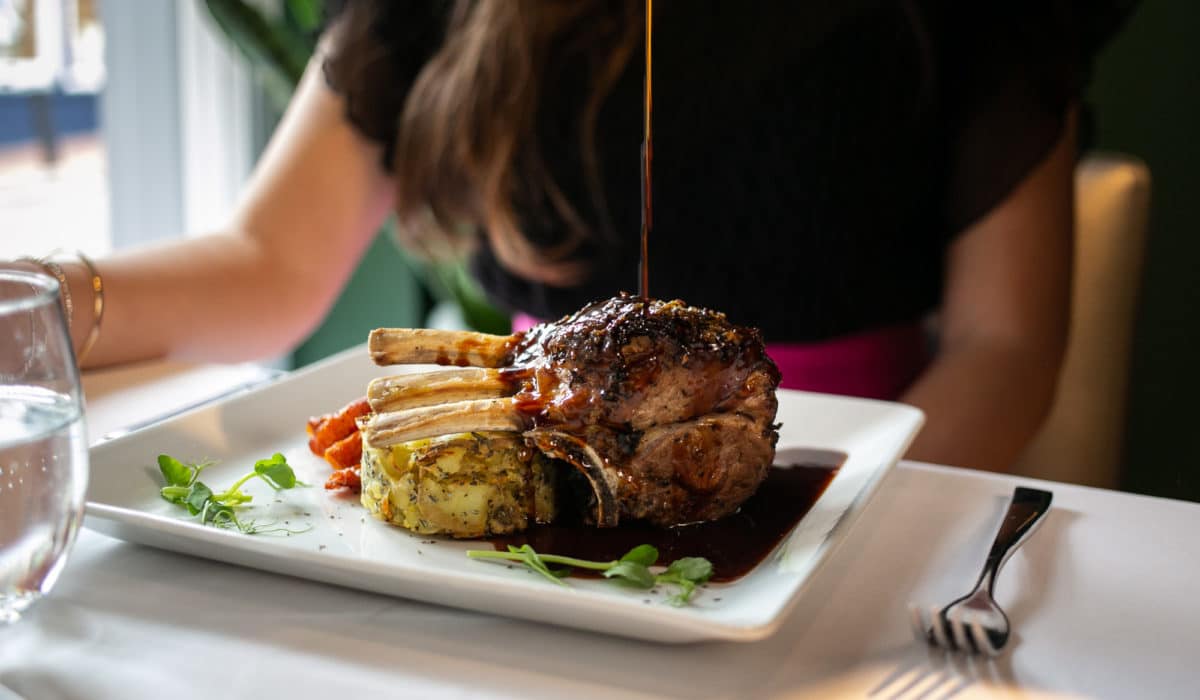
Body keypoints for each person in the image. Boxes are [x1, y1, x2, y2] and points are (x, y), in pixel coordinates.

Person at [5, 1, 1133, 473]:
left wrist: (836, 513)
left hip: (856, 460)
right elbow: (270, 266)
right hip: (534, 459)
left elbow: (1008, 347)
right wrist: (36, 300)